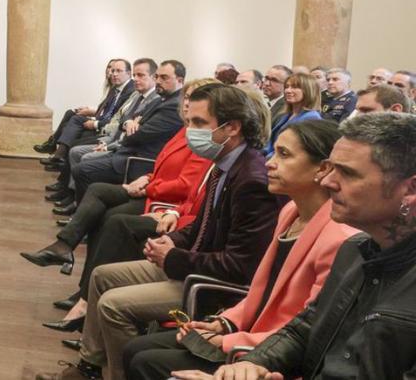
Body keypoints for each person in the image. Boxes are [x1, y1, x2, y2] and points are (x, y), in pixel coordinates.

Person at [37, 84, 280, 380]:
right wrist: (172, 240)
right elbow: (201, 226)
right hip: (192, 264)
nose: (191, 130)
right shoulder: (225, 165)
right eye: (190, 122)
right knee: (102, 276)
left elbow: (240, 266)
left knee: (113, 305)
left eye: (200, 123)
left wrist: (174, 257)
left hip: (210, 285)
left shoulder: (251, 179)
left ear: (232, 128)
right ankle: (90, 367)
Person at [173, 113, 416, 380]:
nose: (327, 181)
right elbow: (305, 329)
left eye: (347, 173)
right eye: (331, 168)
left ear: (410, 189)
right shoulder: (355, 250)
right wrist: (253, 364)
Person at [122, 120, 357, 379]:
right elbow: (262, 290)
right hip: (249, 334)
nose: (270, 162)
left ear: (322, 169)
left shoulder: (339, 239)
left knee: (147, 362)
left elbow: (305, 330)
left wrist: (227, 341)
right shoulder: (290, 212)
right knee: (136, 349)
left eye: (284, 155)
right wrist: (224, 322)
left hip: (270, 356)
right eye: (274, 152)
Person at [23, 79, 216, 326]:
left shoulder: (199, 137)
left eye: (193, 97)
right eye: (187, 97)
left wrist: (148, 185)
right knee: (97, 192)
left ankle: (84, 294)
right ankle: (68, 254)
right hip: (151, 185)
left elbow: (185, 185)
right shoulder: (185, 128)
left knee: (109, 215)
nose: (187, 102)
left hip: (162, 200)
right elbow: (162, 164)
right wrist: (147, 177)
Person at [68, 61, 186, 214]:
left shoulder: (172, 105)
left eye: (164, 77)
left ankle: (82, 213)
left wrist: (131, 127)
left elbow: (138, 134)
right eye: (157, 77)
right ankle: (81, 211)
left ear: (180, 81)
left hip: (138, 160)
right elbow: (127, 119)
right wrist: (131, 122)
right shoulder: (159, 99)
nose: (158, 81)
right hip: (125, 150)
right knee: (77, 148)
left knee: (83, 168)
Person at [37, 59, 136, 159]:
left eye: (118, 71)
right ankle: (57, 153)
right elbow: (105, 109)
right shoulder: (116, 87)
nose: (114, 74)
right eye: (112, 70)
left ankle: (57, 153)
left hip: (109, 129)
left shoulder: (131, 90)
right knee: (71, 117)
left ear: (128, 73)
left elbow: (116, 117)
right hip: (103, 121)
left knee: (74, 125)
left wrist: (95, 122)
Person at [265, 73, 322, 158]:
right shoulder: (285, 115)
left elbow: (295, 149)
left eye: (294, 87)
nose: (288, 91)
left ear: (308, 90)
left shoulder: (312, 118)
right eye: (287, 87)